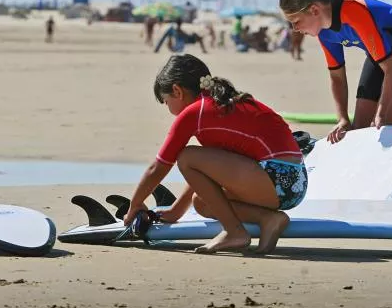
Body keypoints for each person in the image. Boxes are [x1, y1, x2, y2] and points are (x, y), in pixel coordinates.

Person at [123, 54, 307, 254]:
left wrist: (134, 205)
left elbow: (158, 167)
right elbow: (207, 175)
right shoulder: (219, 104)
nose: (167, 107)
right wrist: (176, 211)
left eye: (166, 101)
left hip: (278, 178)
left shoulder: (196, 113)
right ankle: (269, 219)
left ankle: (235, 232)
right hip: (294, 183)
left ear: (177, 91)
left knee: (186, 156)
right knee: (202, 202)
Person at [280, 0, 392, 143]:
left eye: (296, 22)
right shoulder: (324, 33)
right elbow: (337, 78)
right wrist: (342, 119)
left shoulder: (354, 12)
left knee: (380, 127)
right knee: (358, 130)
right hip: (380, 56)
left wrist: (381, 112)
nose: (294, 29)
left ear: (314, 10)